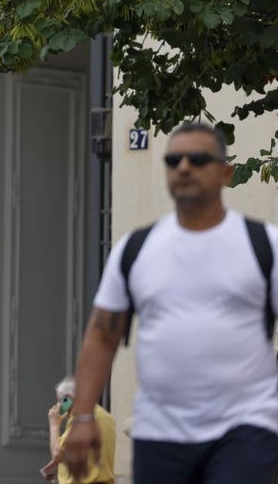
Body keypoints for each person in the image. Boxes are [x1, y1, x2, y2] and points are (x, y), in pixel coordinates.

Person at [67, 120, 278, 483]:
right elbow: (102, 336)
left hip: (244, 428)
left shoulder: (264, 244)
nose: (183, 167)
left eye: (198, 158)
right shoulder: (136, 249)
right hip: (160, 431)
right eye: (173, 160)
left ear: (225, 172)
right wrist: (83, 416)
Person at [41, 376, 115, 483]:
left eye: (60, 401)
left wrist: (54, 425)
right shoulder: (105, 416)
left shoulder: (81, 419)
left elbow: (57, 455)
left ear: (68, 398)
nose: (59, 407)